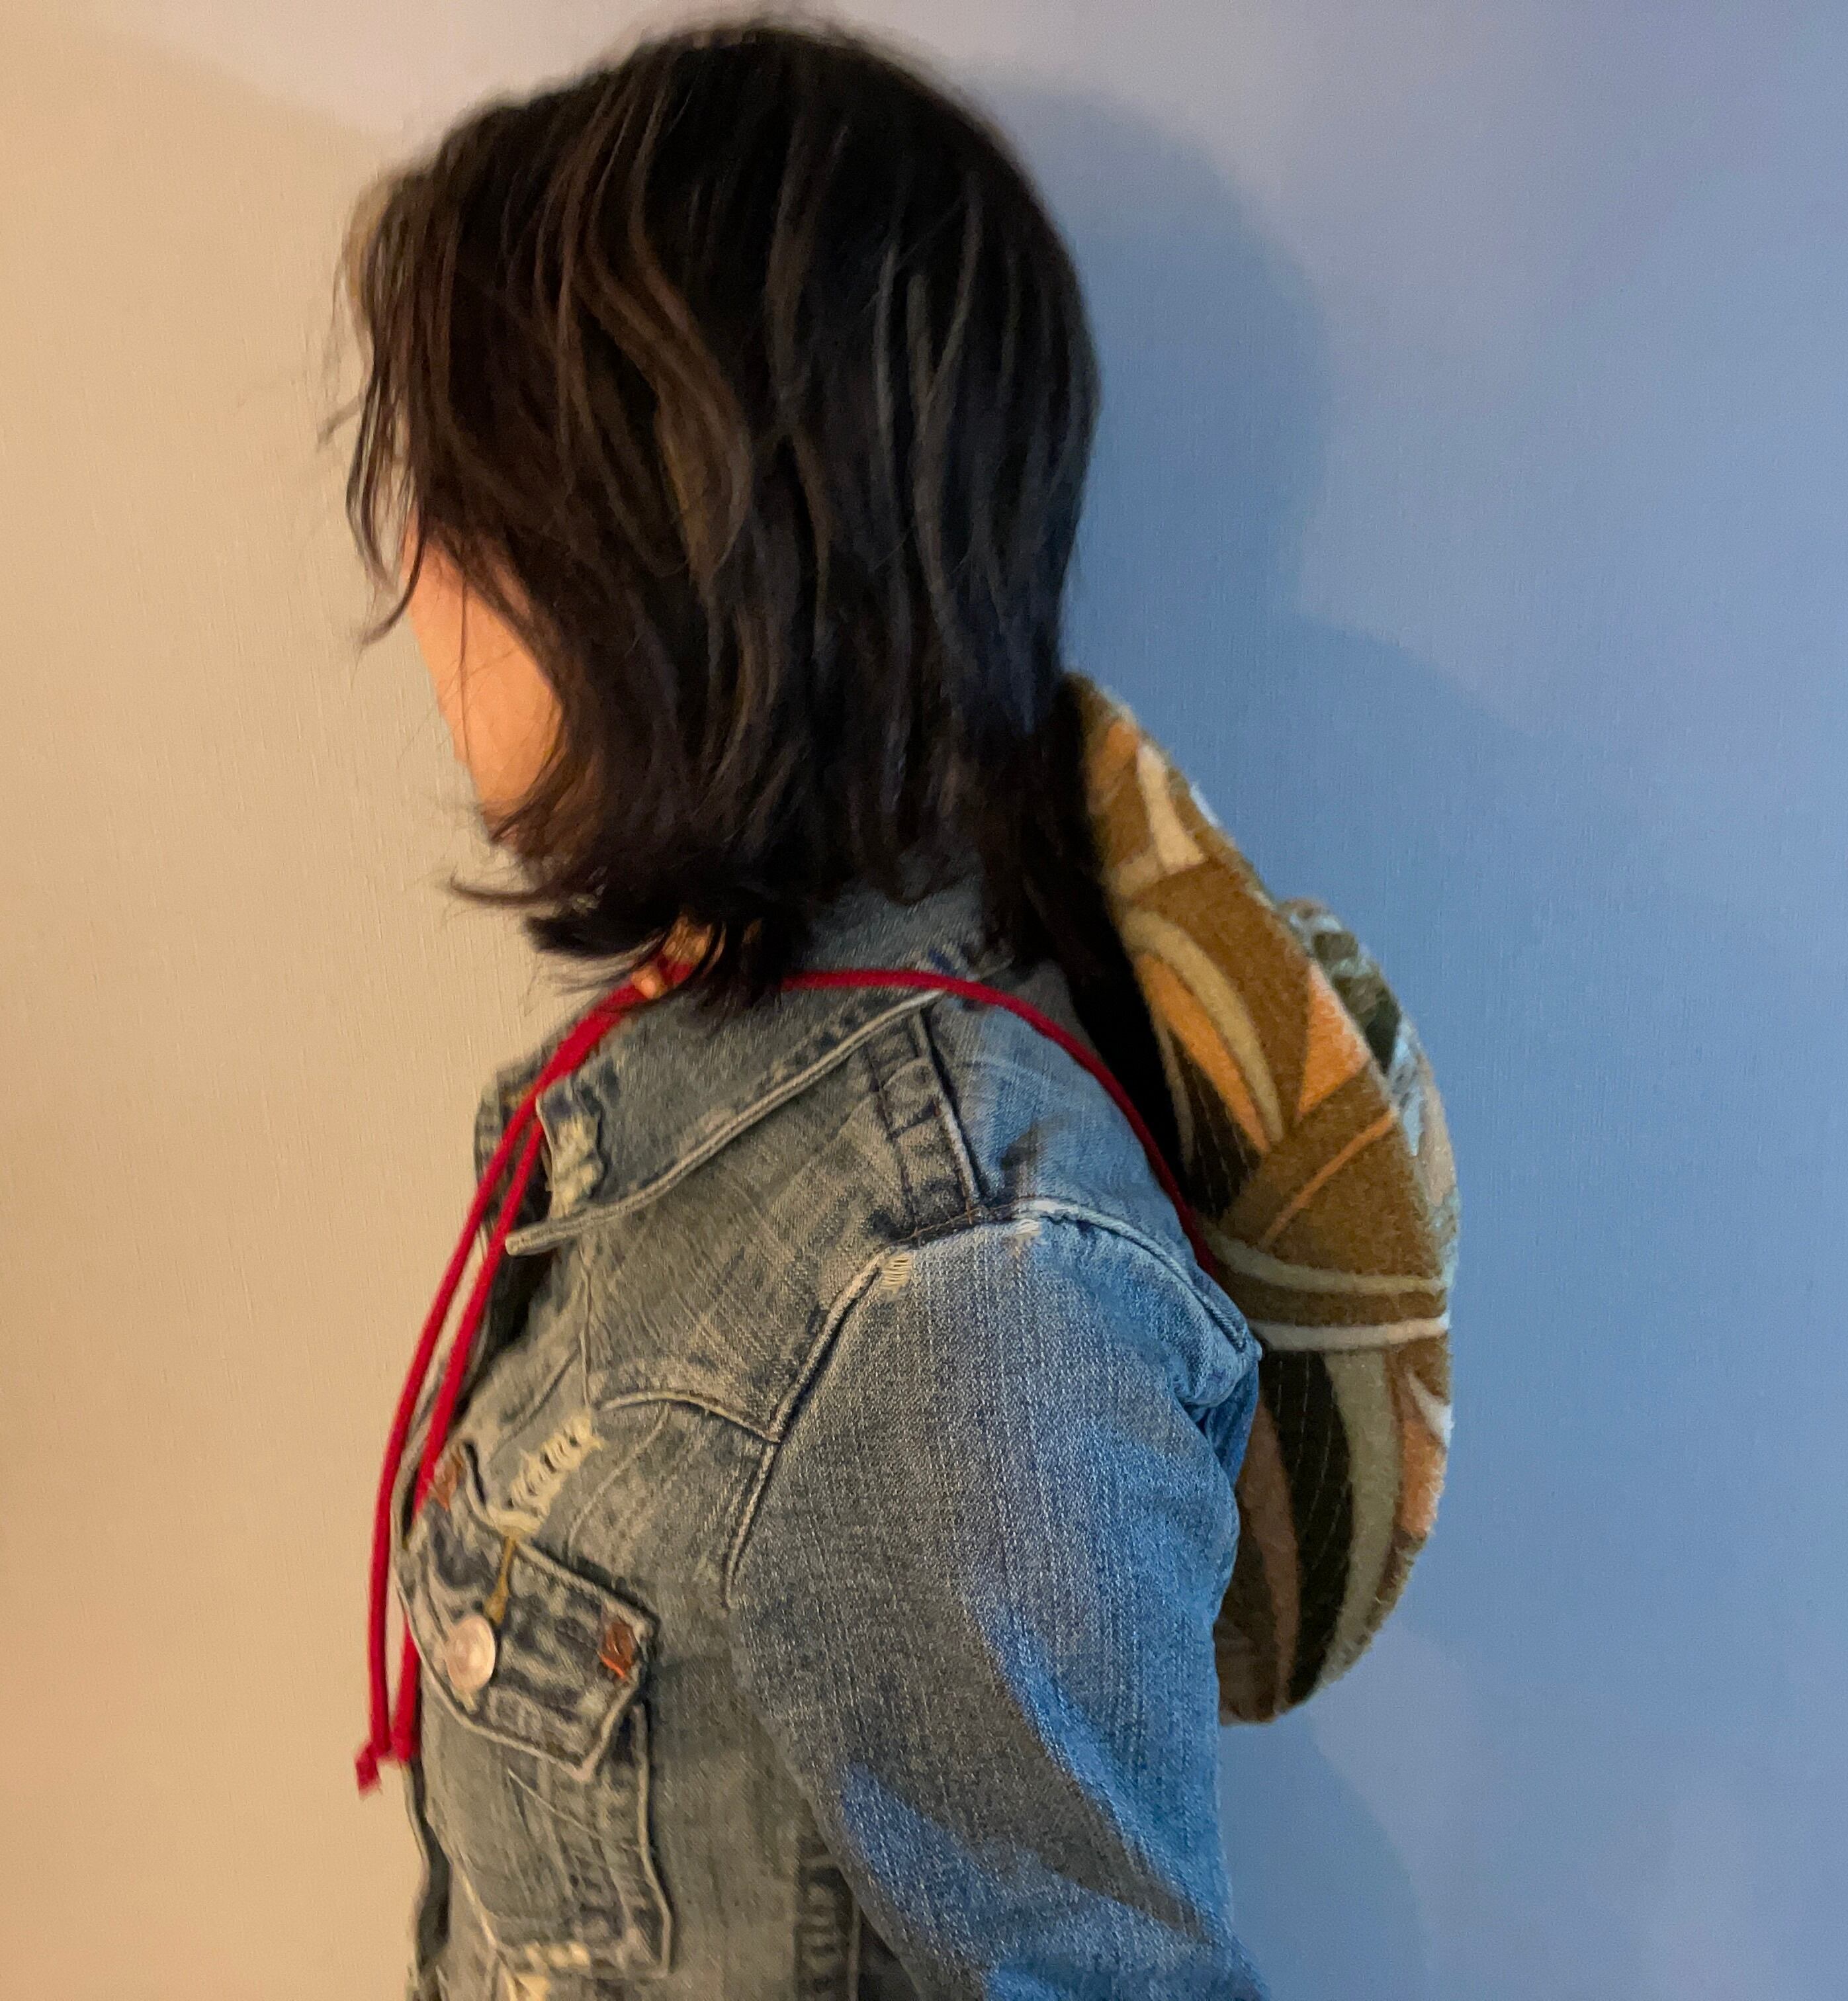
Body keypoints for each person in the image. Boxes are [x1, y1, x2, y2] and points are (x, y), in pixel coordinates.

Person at [337, 18, 1271, 1999]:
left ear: (680, 548)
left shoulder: (951, 1285)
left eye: (467, 500)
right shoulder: (703, 1071)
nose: (415, 577)